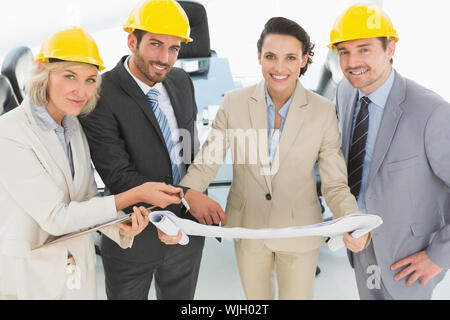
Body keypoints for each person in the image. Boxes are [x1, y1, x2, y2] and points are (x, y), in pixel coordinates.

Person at [175, 17, 362, 300]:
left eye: (290, 58)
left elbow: (335, 185)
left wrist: (352, 219)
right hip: (247, 228)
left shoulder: (323, 111)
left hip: (300, 230)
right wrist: (186, 198)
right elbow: (206, 164)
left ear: (304, 59)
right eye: (271, 56)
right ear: (259, 57)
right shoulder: (234, 103)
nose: (278, 67)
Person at [0, 26, 183, 300]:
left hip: (76, 272)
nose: (81, 91)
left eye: (90, 80)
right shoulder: (10, 133)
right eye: (69, 76)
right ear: (42, 72)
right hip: (32, 275)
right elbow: (57, 218)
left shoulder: (72, 124)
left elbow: (85, 198)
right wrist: (136, 194)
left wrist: (116, 226)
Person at [79, 0, 222, 300]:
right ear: (133, 41)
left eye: (174, 48)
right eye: (155, 44)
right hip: (134, 233)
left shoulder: (181, 81)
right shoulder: (100, 95)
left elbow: (188, 151)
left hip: (186, 231)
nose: (165, 58)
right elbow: (118, 175)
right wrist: (185, 197)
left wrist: (191, 199)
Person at [330, 3, 450, 299]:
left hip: (409, 258)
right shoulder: (345, 92)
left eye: (364, 49)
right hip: (360, 245)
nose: (352, 61)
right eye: (343, 51)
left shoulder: (431, 111)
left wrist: (439, 256)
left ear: (390, 48)